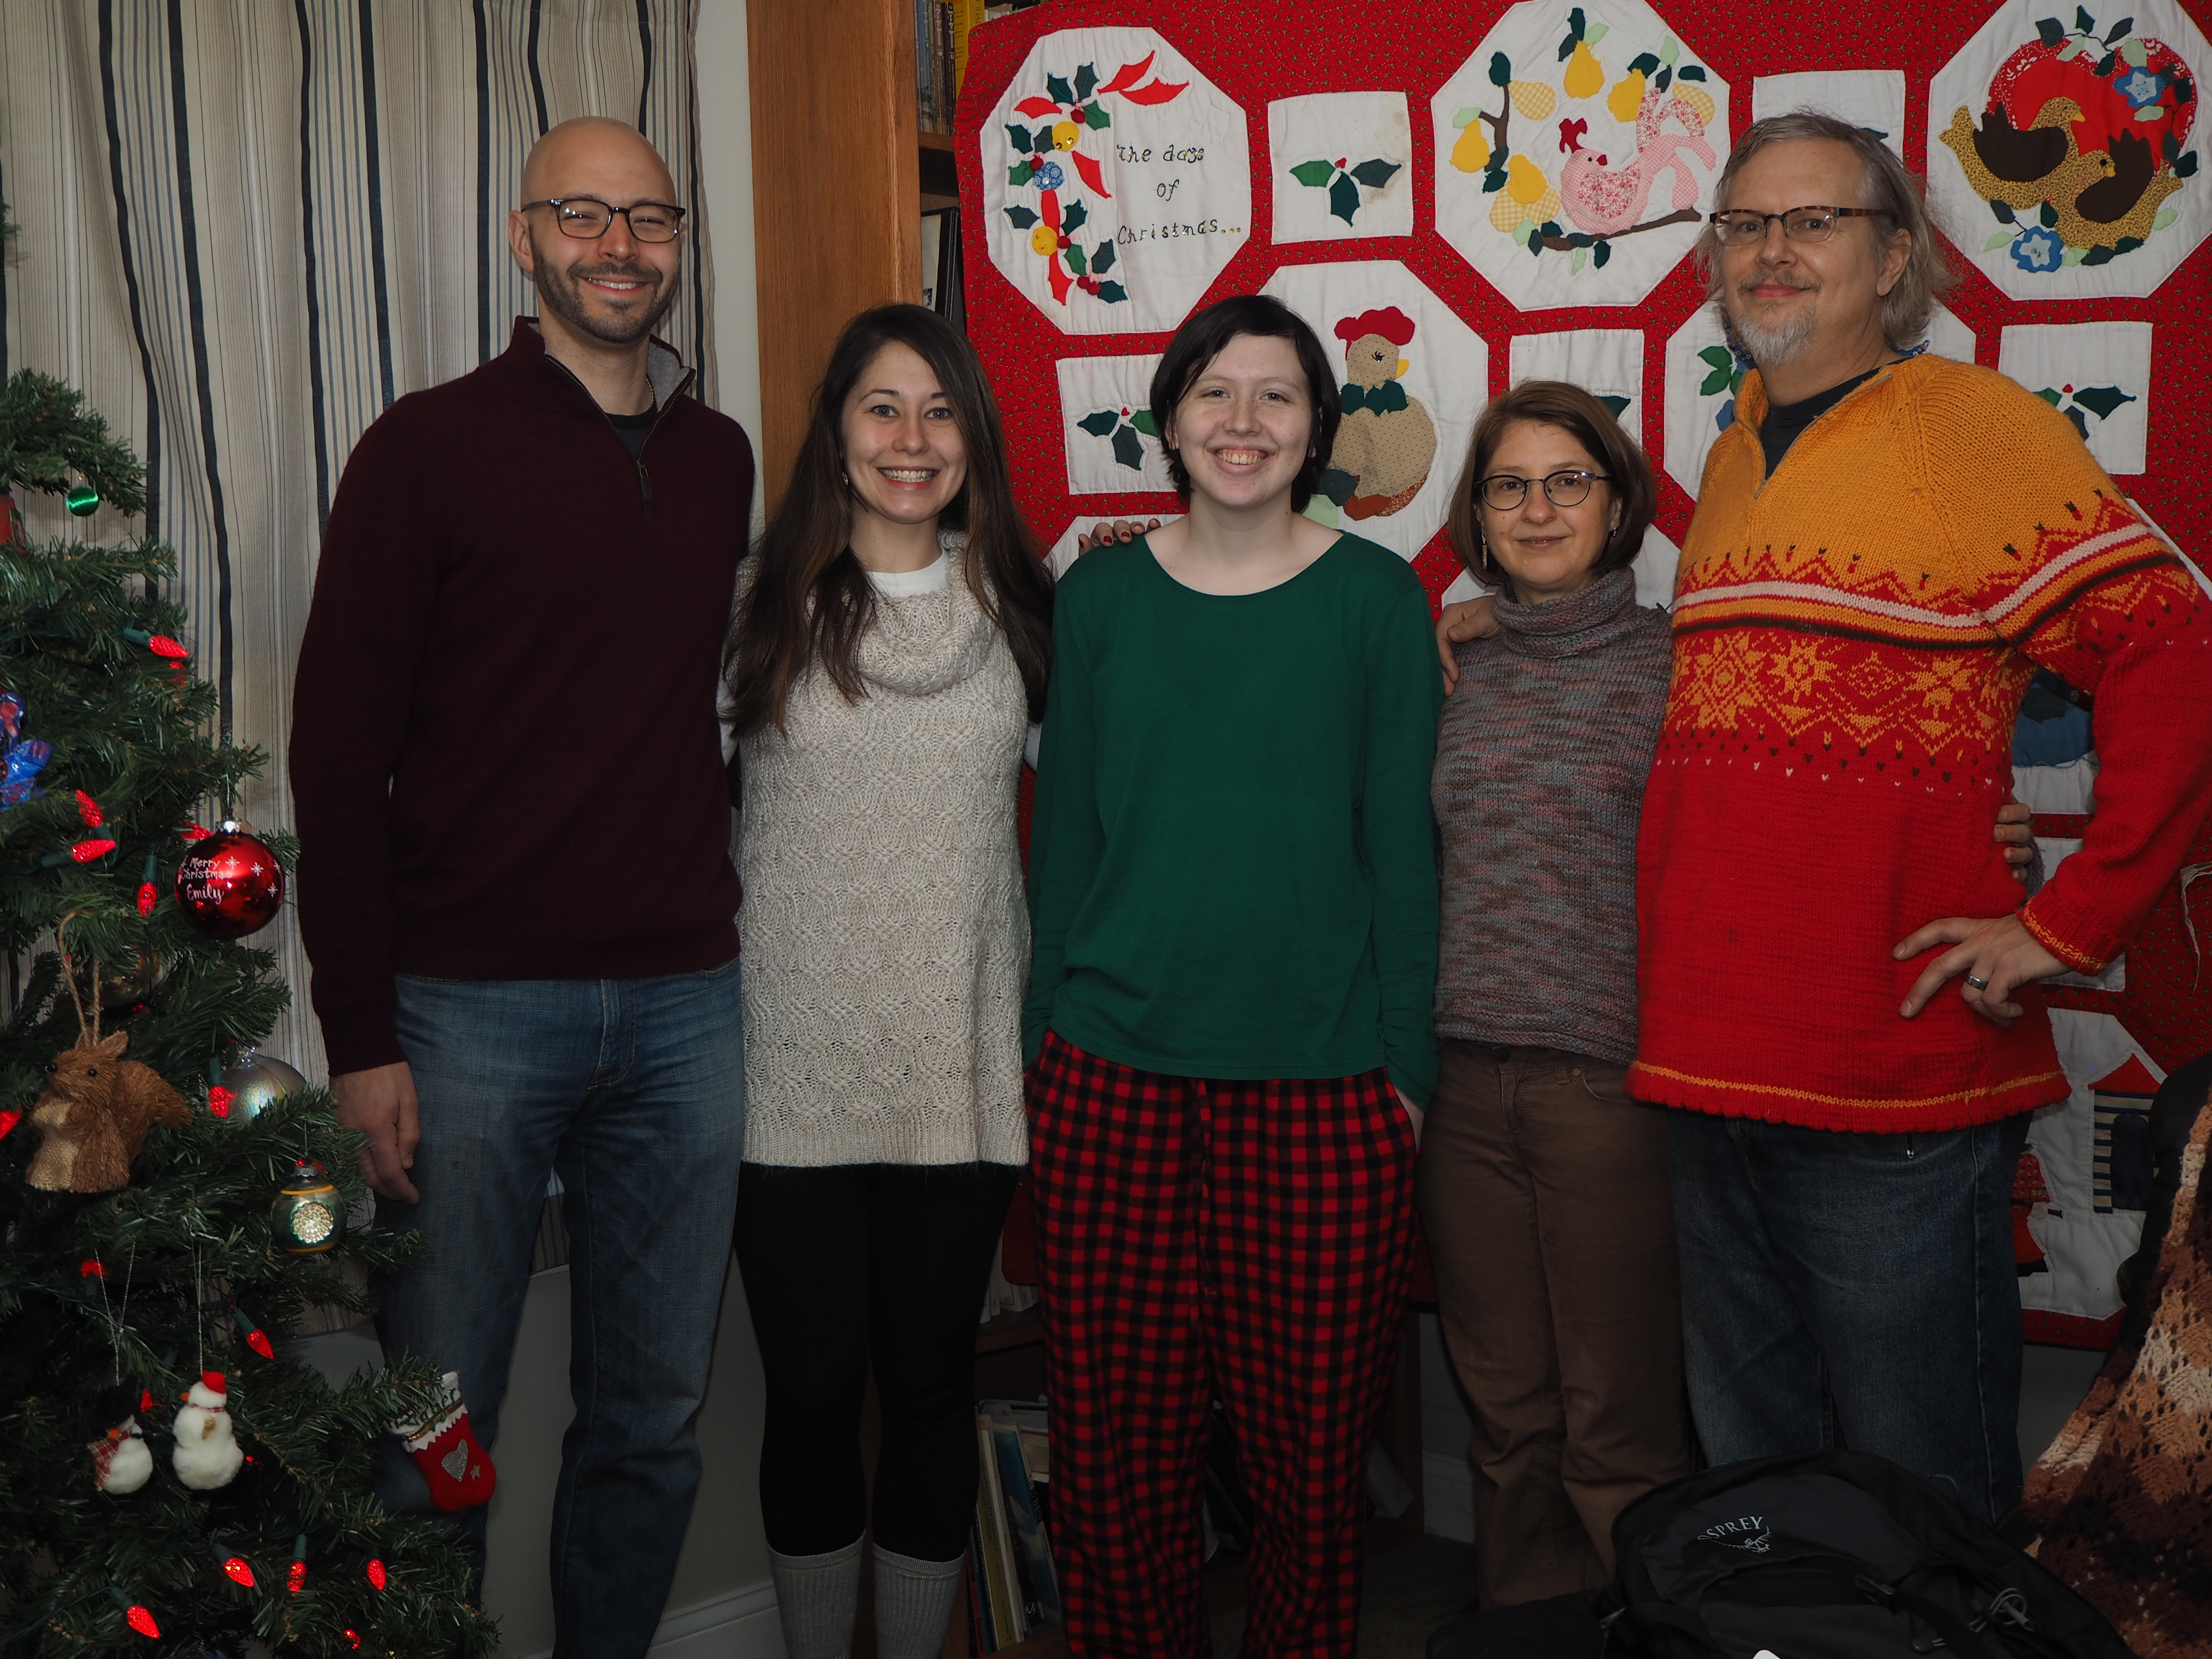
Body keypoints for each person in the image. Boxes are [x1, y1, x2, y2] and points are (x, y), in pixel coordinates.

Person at [1628, 112, 2212, 1519]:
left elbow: (2173, 652)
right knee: (1760, 1493)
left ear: (1894, 258)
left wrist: (2066, 922)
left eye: (1812, 221)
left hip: (1892, 1081)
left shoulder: (1969, 427)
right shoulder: (1732, 453)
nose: (1772, 251)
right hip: (1704, 1069)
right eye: (1745, 224)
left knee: (1922, 1501)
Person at [290, 117, 751, 1657]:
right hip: (469, 1016)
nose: (620, 246)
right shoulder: (423, 451)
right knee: (437, 1427)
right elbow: (336, 759)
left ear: (678, 243)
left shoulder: (720, 459)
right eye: (583, 214)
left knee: (652, 1420)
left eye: (650, 219)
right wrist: (361, 1038)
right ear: (523, 238)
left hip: (687, 1009)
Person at [1024, 292, 1440, 1659]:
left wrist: (1406, 1078)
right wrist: (1041, 1052)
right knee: (1115, 1470)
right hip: (1110, 1083)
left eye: (1276, 394)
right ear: (1169, 420)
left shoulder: (1376, 601)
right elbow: (1066, 845)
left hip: (1324, 1092)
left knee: (1309, 1479)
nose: (1243, 420)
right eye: (1214, 391)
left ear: (1320, 428)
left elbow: (1405, 855)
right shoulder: (1100, 598)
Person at [722, 304, 1052, 1659]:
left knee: (926, 1393)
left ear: (973, 438)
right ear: (838, 433)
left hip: (955, 1080)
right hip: (785, 1077)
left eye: (941, 410)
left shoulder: (1026, 608)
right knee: (809, 1402)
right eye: (883, 407)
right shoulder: (757, 604)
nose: (913, 438)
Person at [1418, 380, 1692, 1608]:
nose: (1538, 509)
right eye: (1509, 486)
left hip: (1611, 1090)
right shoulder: (1445, 663)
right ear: (1477, 516)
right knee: (1506, 1413)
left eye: (1569, 481)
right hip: (1461, 1085)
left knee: (1616, 1419)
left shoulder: (1679, 664)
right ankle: (1527, 1629)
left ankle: (1641, 1628)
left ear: (1619, 502)